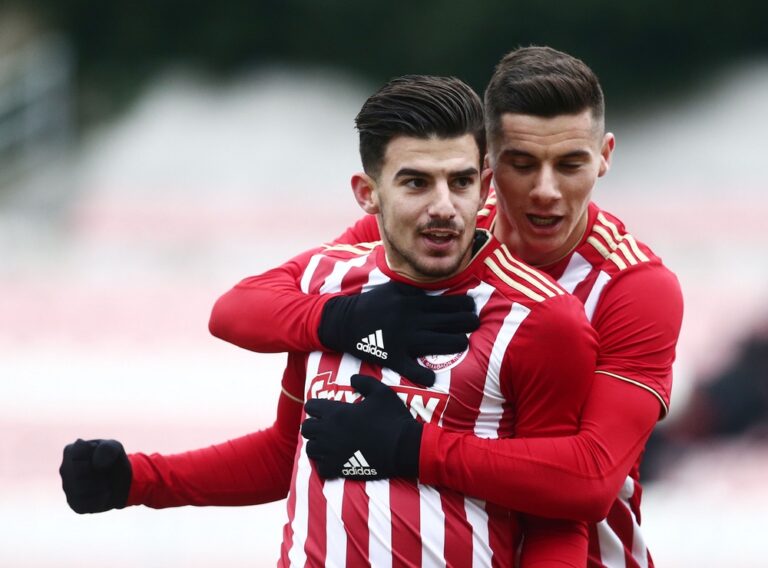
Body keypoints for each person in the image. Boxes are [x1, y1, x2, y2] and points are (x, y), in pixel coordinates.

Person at [61, 74, 599, 567]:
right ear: (368, 194)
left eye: (459, 182)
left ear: (484, 187)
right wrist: (139, 479)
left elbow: (557, 516)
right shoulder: (326, 282)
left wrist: (413, 447)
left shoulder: (543, 319)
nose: (443, 206)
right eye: (416, 183)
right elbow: (287, 450)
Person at [206, 46, 684, 567]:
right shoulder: (443, 225)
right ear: (488, 167)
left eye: (570, 165)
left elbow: (590, 480)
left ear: (605, 156)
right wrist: (342, 320)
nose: (546, 191)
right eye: (522, 165)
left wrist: (413, 446)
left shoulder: (633, 287)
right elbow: (241, 310)